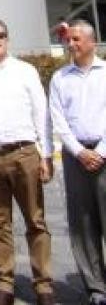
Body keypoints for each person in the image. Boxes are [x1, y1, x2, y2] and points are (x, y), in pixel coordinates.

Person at [0, 17, 54, 305]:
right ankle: (5, 283)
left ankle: (43, 285)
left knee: (35, 221)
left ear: (7, 39)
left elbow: (42, 113)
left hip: (24, 153)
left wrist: (46, 154)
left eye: (1, 34)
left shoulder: (25, 71)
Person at [48, 20, 106, 305]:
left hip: (105, 154)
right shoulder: (60, 78)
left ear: (92, 42)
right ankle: (96, 287)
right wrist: (79, 151)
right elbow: (58, 119)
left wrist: (101, 151)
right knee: (83, 224)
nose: (70, 44)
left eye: (76, 40)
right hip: (75, 158)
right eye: (68, 40)